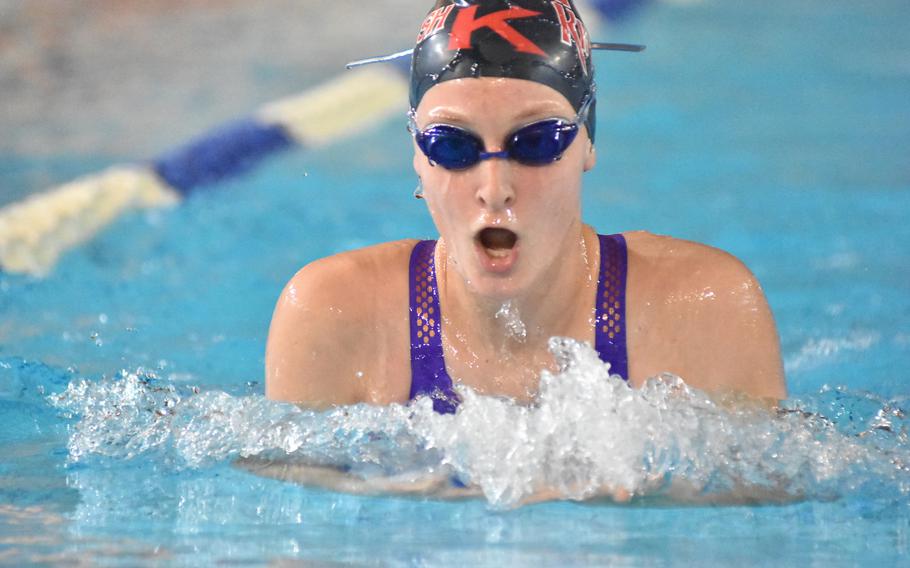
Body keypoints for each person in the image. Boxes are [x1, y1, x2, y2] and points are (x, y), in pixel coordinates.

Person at [265, 0, 786, 416]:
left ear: (586, 141)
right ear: (417, 158)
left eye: (536, 140)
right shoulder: (330, 313)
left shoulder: (705, 307)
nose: (495, 188)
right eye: (452, 145)